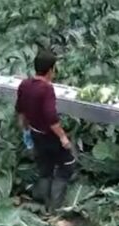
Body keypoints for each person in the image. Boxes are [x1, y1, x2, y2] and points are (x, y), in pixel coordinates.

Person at [15, 49, 76, 209]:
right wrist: (63, 137)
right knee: (67, 165)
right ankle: (55, 206)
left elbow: (20, 110)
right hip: (49, 136)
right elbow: (51, 117)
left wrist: (25, 131)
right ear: (51, 69)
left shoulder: (25, 84)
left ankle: (42, 203)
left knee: (45, 167)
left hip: (35, 133)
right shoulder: (46, 88)